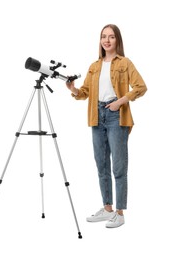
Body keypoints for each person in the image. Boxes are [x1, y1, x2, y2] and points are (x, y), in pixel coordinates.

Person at [66, 24, 147, 228]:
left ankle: (119, 212)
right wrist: (73, 89)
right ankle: (107, 208)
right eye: (104, 36)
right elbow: (84, 93)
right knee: (101, 165)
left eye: (111, 37)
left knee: (118, 166)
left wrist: (120, 102)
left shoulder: (125, 63)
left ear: (117, 40)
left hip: (116, 115)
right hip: (96, 116)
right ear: (100, 40)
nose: (107, 40)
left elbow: (141, 87)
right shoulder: (94, 65)